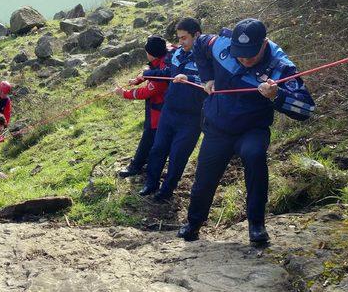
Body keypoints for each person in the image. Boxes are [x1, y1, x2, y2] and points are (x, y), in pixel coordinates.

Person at [177, 18, 315, 243]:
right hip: (218, 127)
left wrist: (277, 95)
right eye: (239, 53)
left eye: (250, 54)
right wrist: (207, 76)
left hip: (252, 129)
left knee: (255, 156)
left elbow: (306, 109)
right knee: (204, 178)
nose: (244, 59)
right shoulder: (220, 44)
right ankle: (193, 223)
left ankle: (256, 226)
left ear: (264, 43)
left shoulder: (281, 66)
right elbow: (200, 43)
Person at [138, 18, 208, 201]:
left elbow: (212, 83)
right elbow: (167, 74)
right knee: (158, 149)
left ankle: (166, 191)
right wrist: (146, 75)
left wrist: (190, 79)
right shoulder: (176, 54)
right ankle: (151, 183)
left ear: (197, 35)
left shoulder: (207, 57)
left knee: (178, 156)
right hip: (169, 111)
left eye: (184, 38)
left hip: (192, 118)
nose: (181, 42)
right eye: (179, 38)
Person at [115, 35, 169, 179]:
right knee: (154, 137)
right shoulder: (165, 55)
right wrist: (139, 79)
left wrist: (123, 93)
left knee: (149, 137)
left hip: (158, 109)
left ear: (151, 53)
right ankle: (147, 162)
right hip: (161, 106)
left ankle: (136, 166)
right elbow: (149, 68)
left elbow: (145, 92)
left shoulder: (163, 74)